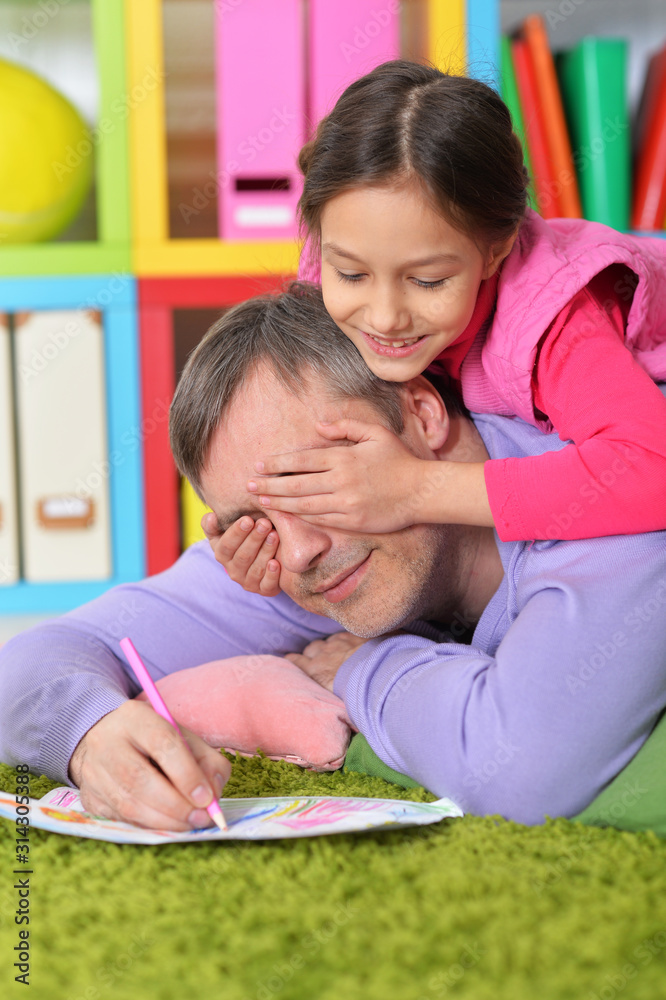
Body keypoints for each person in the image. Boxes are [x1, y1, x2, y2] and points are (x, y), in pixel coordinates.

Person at [1, 284, 665, 833]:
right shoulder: (278, 562)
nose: (299, 552)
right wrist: (88, 737)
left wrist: (362, 666)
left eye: (315, 488)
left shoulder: (604, 507)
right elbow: (32, 661)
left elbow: (520, 770)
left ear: (424, 414)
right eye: (254, 520)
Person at [222, 60, 666, 600]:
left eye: (428, 280)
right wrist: (268, 536)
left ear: (494, 252)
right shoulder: (336, 261)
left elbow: (653, 470)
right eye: (352, 273)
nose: (384, 316)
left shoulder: (557, 318)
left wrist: (414, 490)